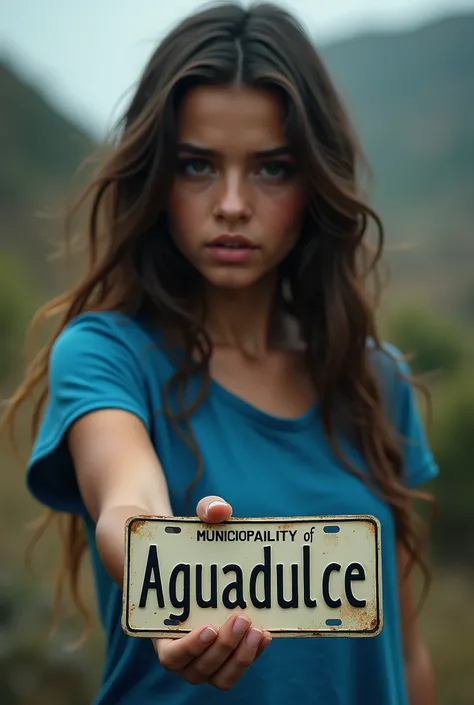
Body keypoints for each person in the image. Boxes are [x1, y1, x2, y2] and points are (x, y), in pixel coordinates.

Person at [3, 2, 439, 703]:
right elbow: (127, 500)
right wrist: (170, 587)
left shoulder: (372, 379)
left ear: (313, 183)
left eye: (271, 169)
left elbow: (406, 652)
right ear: (156, 179)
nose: (232, 203)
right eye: (198, 165)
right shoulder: (107, 355)